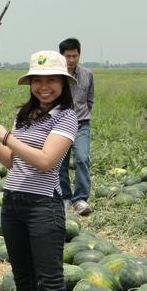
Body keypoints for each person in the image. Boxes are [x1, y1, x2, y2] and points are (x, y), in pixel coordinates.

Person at [0, 50, 78, 291]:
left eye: (52, 80)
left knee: (50, 282)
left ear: (63, 83)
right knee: (23, 279)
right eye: (38, 80)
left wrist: (6, 136)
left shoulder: (66, 117)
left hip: (43, 206)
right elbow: (11, 161)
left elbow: (45, 161)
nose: (44, 87)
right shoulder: (25, 115)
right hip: (12, 203)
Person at [58, 37, 95, 215]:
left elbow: (90, 100)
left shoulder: (88, 74)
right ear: (62, 56)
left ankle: (80, 199)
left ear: (79, 55)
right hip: (60, 124)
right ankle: (65, 197)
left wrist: (82, 114)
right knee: (60, 162)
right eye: (68, 56)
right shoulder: (56, 76)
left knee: (82, 158)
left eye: (75, 56)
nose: (71, 60)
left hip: (81, 124)